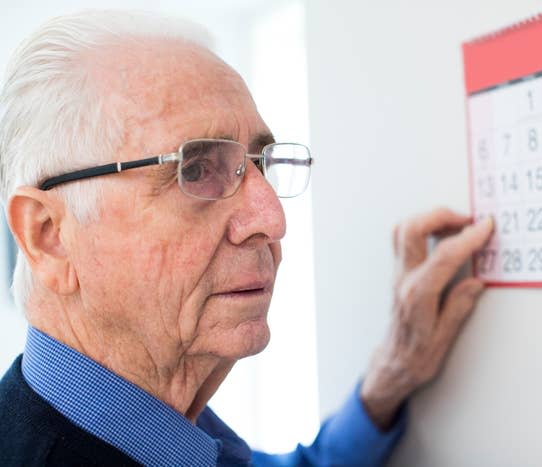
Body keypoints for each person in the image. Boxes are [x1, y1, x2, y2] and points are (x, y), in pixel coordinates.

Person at [0, 10, 494, 467]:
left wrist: (390, 379)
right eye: (195, 169)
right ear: (49, 238)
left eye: (258, 164)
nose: (271, 219)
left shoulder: (161, 428)